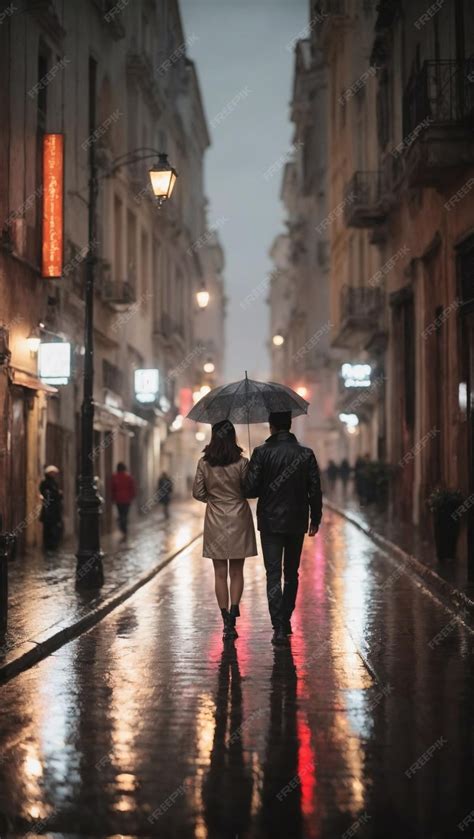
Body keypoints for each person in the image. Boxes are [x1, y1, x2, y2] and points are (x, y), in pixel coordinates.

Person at [244, 411, 322, 647]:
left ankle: (278, 626)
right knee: (292, 574)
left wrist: (251, 471)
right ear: (289, 425)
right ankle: (286, 618)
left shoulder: (261, 453)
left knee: (273, 575)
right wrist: (315, 519)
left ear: (271, 427)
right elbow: (315, 490)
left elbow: (250, 491)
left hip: (270, 523)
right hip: (297, 522)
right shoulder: (306, 454)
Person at [193, 420, 257, 641]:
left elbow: (197, 493)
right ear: (232, 437)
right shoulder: (242, 462)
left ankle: (226, 622)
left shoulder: (204, 463)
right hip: (239, 517)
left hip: (215, 520)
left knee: (219, 573)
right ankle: (234, 609)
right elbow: (250, 490)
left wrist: (214, 499)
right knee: (237, 572)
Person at [39, 465, 63, 550]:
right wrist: (57, 494)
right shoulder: (45, 483)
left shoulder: (54, 483)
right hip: (48, 510)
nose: (54, 475)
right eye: (52, 473)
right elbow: (47, 495)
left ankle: (53, 545)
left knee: (54, 528)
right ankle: (48, 545)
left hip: (55, 510)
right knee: (48, 528)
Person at [111, 462, 136, 542]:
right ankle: (124, 529)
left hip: (118, 499)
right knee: (125, 514)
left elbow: (112, 488)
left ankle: (122, 528)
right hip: (127, 499)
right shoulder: (128, 477)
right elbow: (132, 488)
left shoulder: (115, 477)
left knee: (121, 514)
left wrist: (113, 498)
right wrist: (132, 496)